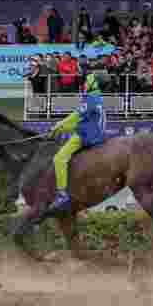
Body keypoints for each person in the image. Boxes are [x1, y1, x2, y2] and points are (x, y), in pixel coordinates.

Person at [45, 70, 108, 212]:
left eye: (87, 80)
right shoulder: (96, 97)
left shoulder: (92, 97)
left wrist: (58, 125)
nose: (85, 83)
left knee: (59, 159)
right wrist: (57, 129)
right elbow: (77, 122)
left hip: (87, 135)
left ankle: (62, 194)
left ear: (94, 83)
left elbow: (74, 117)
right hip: (91, 131)